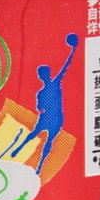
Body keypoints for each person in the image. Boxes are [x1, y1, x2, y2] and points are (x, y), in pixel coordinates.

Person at [11, 33, 78, 174]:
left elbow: (65, 67)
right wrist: (41, 109)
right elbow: (38, 107)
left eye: (45, 73)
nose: (44, 76)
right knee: (34, 134)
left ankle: (39, 166)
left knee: (47, 141)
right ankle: (19, 150)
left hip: (56, 118)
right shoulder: (41, 92)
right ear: (40, 77)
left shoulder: (55, 84)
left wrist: (73, 50)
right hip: (47, 117)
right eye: (42, 74)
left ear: (47, 74)